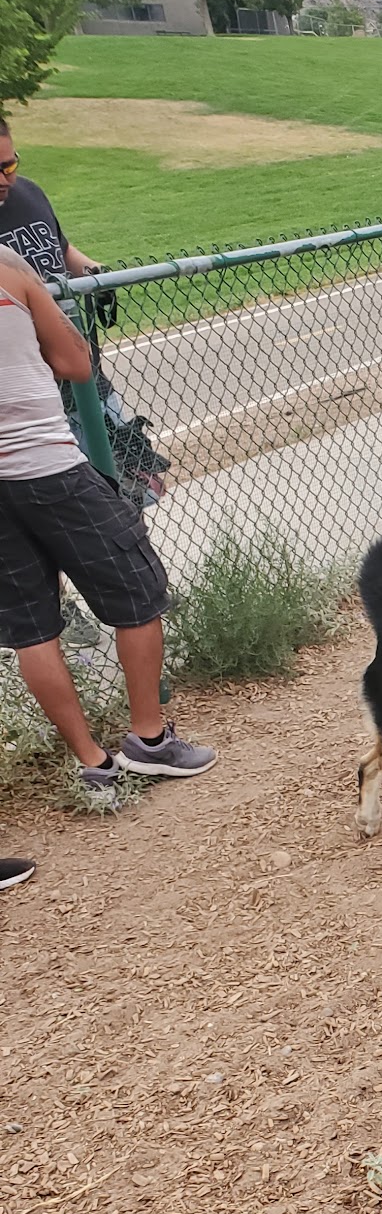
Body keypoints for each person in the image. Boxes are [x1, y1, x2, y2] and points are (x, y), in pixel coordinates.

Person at [0, 243, 216, 807]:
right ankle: (149, 739)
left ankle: (92, 765)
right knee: (138, 590)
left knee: (33, 627)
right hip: (48, 465)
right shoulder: (9, 266)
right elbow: (77, 363)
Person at [0, 117, 168, 507]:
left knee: (133, 493)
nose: (4, 179)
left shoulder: (29, 194)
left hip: (89, 383)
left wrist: (96, 275)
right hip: (29, 403)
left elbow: (61, 251)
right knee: (64, 512)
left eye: (9, 165)